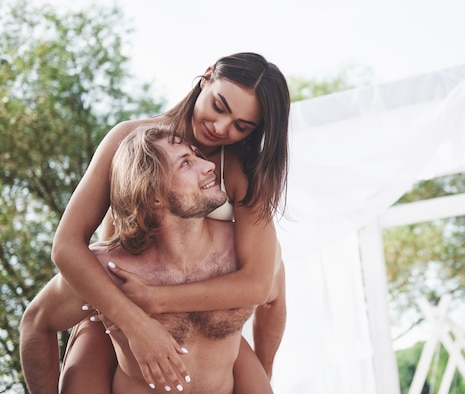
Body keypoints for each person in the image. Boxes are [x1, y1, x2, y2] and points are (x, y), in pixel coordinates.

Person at [47, 52, 289, 391]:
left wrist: (157, 299)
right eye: (219, 106)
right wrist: (134, 323)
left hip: (203, 323)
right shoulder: (129, 140)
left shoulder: (243, 170)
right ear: (206, 77)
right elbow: (67, 246)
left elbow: (260, 284)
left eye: (241, 126)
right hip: (115, 308)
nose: (221, 128)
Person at [20, 125, 270, 393]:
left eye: (197, 155)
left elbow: (274, 303)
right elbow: (36, 324)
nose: (209, 165)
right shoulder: (109, 271)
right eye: (186, 163)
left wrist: (265, 372)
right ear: (153, 196)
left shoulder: (242, 254)